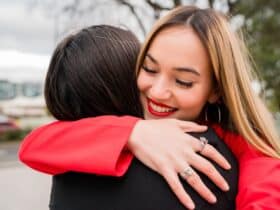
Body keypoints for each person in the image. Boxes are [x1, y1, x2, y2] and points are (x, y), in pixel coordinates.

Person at [19, 5, 280, 210]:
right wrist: (133, 132)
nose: (157, 91)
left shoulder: (253, 159)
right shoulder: (126, 130)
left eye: (183, 81)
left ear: (216, 90)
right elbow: (33, 147)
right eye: (149, 68)